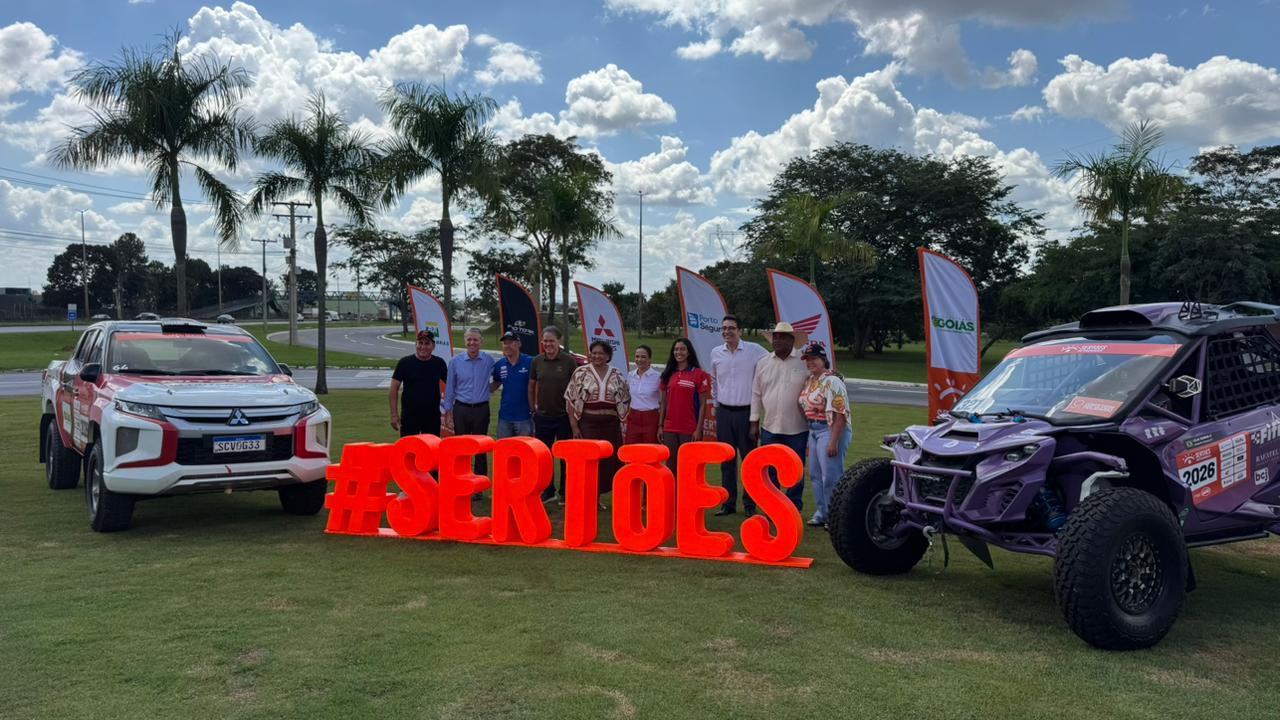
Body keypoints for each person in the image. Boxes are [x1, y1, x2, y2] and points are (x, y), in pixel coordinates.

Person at [709, 314, 770, 516]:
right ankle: (728, 504)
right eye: (724, 328)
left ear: (740, 331)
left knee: (749, 461)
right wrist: (716, 407)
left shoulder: (754, 350)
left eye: (731, 328)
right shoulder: (716, 353)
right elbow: (714, 381)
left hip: (746, 414)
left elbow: (774, 359)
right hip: (724, 412)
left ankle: (750, 505)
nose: (727, 331)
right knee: (727, 460)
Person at [750, 322, 811, 512]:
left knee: (796, 470)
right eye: (775, 337)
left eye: (782, 337)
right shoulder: (763, 363)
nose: (777, 340)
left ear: (792, 340)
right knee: (770, 470)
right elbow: (756, 393)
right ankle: (773, 508)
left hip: (798, 428)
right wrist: (754, 421)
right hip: (770, 427)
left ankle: (793, 508)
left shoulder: (804, 362)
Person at [565, 340, 630, 505]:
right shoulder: (581, 372)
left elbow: (625, 400)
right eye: (594, 353)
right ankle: (588, 497)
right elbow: (571, 400)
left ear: (608, 356)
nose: (597, 356)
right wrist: (574, 426)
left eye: (601, 353)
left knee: (608, 461)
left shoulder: (617, 374)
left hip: (611, 424)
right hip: (588, 423)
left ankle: (598, 496)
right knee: (589, 460)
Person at [798, 341, 852, 528]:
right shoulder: (810, 380)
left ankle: (835, 516)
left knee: (831, 476)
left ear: (823, 360)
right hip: (813, 430)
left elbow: (840, 414)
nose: (810, 362)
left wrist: (834, 441)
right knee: (815, 475)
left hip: (830, 429)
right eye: (807, 359)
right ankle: (822, 513)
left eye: (814, 358)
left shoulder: (833, 381)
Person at [530, 326, 578, 502]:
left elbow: (576, 388)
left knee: (565, 456)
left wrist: (573, 413)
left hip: (564, 417)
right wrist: (532, 408)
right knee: (545, 456)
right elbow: (531, 386)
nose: (548, 344)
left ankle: (565, 492)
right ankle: (548, 490)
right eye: (545, 341)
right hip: (543, 417)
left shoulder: (569, 361)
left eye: (551, 340)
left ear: (559, 341)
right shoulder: (537, 361)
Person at [443, 327, 496, 476]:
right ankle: (462, 477)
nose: (472, 342)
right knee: (461, 446)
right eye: (469, 339)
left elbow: (499, 377)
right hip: (461, 409)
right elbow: (450, 388)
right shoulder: (455, 361)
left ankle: (480, 480)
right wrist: (448, 411)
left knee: (480, 446)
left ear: (481, 342)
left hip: (481, 410)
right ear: (465, 341)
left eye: (475, 340)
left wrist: (489, 389)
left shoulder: (489, 360)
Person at [658, 337, 711, 476]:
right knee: (671, 466)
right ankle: (674, 491)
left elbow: (703, 404)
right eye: (676, 349)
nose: (678, 352)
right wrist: (660, 425)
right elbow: (663, 402)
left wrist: (698, 429)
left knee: (688, 467)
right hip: (669, 428)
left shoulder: (699, 374)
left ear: (689, 352)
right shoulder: (668, 374)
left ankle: (687, 491)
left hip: (689, 428)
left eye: (682, 349)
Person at [389, 330, 448, 437]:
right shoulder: (405, 363)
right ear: (415, 344)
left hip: (432, 417)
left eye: (427, 343)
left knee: (431, 447)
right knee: (409, 447)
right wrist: (394, 414)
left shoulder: (439, 363)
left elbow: (451, 386)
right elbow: (394, 388)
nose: (423, 347)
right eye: (420, 343)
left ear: (433, 346)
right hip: (409, 416)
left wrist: (450, 413)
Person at [490, 331, 534, 438]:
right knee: (504, 447)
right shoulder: (500, 364)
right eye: (505, 343)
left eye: (510, 342)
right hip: (504, 417)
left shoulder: (530, 362)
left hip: (525, 417)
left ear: (519, 344)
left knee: (524, 447)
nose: (507, 346)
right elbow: (496, 382)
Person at [624, 345, 661, 444]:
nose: (639, 359)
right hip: (634, 417)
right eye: (637, 356)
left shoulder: (658, 377)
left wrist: (661, 424)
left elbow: (663, 401)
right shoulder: (630, 375)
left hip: (651, 418)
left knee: (650, 448)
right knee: (631, 447)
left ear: (650, 359)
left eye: (643, 357)